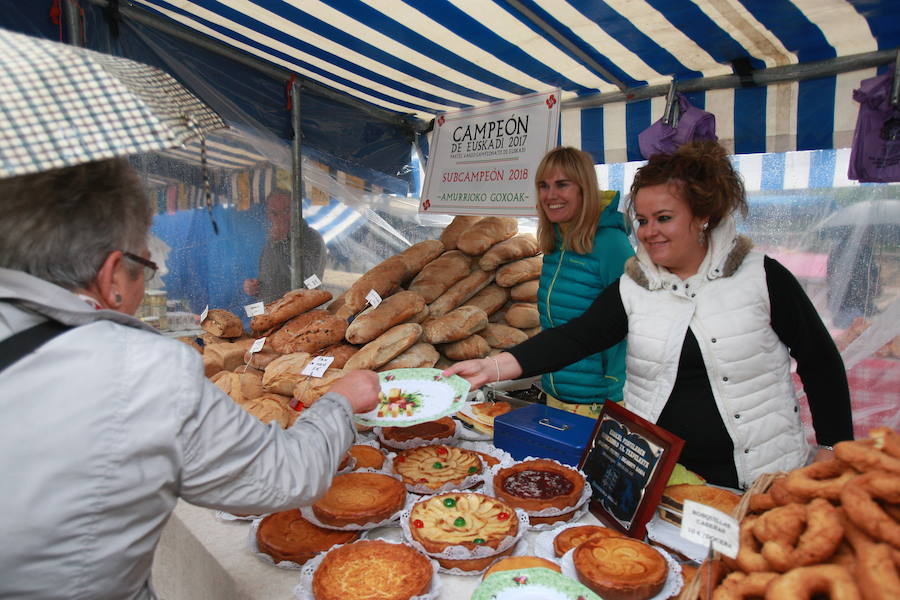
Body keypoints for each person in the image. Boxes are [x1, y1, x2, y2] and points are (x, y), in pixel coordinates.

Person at [0, 159, 378, 599]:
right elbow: (284, 476)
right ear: (111, 278)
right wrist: (340, 401)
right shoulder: (139, 368)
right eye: (145, 265)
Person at [447, 141, 853, 490]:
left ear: (702, 217)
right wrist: (494, 366)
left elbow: (820, 362)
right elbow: (577, 336)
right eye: (642, 220)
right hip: (660, 474)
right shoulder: (635, 285)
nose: (648, 231)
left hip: (759, 474)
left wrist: (836, 451)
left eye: (664, 218)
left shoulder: (761, 277)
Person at [533, 147, 634, 416]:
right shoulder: (555, 243)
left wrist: (612, 387)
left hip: (597, 401)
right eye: (543, 185)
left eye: (562, 184)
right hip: (556, 392)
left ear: (583, 189)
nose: (550, 195)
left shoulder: (612, 245)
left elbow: (634, 321)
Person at [243, 188, 326, 303]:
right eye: (274, 213)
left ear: (296, 210)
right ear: (268, 215)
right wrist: (254, 288)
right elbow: (272, 282)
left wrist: (281, 243)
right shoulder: (272, 241)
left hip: (299, 313)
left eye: (287, 211)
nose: (281, 218)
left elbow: (309, 281)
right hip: (272, 313)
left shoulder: (312, 238)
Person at [826, 226, 881, 329]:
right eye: (867, 232)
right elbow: (833, 274)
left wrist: (875, 281)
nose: (869, 236)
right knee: (848, 333)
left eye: (871, 233)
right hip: (845, 304)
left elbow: (872, 273)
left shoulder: (866, 250)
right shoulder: (842, 249)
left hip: (862, 303)